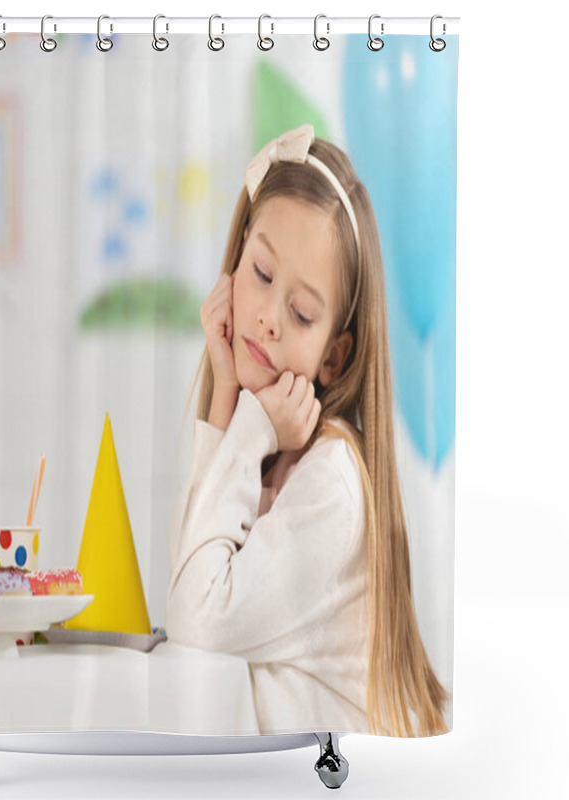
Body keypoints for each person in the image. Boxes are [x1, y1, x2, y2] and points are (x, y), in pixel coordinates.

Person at [166, 124, 449, 737]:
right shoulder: (269, 448)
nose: (267, 317)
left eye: (300, 314)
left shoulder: (330, 484)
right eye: (262, 272)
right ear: (237, 256)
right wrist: (224, 399)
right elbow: (188, 571)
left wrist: (245, 430)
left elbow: (194, 617)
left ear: (334, 357)